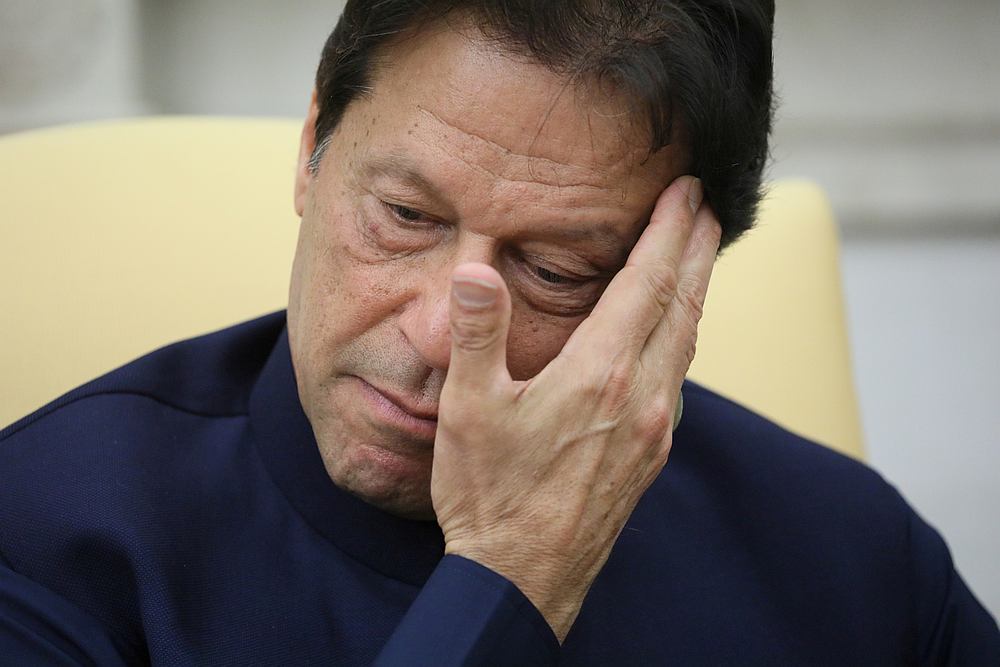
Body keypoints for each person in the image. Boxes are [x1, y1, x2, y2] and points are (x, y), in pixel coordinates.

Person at [1, 0, 997, 664]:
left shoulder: (847, 560)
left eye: (554, 271)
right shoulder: (49, 534)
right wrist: (509, 578)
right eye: (403, 215)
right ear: (313, 145)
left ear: (681, 274)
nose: (442, 331)